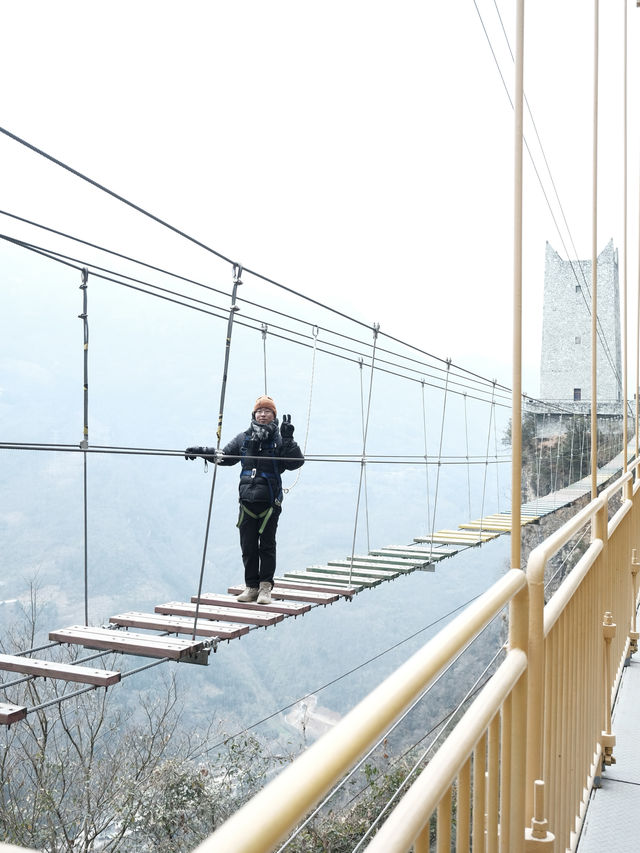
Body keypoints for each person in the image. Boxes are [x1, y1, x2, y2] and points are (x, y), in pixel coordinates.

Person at [185, 395, 304, 605]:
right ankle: (251, 587)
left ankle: (265, 588)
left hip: (269, 503)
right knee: (248, 546)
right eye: (260, 411)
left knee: (266, 545)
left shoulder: (278, 440)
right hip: (247, 502)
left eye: (268, 411)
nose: (263, 414)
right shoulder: (245, 438)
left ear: (274, 415)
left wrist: (288, 440)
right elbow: (224, 457)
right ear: (254, 414)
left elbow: (295, 463)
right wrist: (201, 451)